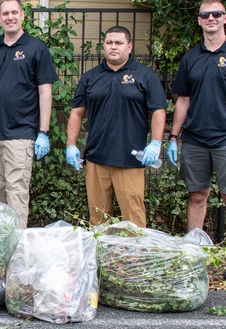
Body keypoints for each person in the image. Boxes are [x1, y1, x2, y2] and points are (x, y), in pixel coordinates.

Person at [168, 0, 226, 280]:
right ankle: (194, 256)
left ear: (225, 18)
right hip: (195, 138)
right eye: (205, 15)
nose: (210, 18)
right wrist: (173, 137)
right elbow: (183, 99)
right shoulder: (190, 58)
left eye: (216, 14)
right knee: (197, 196)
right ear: (199, 20)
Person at [64, 26, 167, 226]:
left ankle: (134, 257)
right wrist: (71, 144)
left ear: (129, 47)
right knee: (98, 220)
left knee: (133, 221)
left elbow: (158, 111)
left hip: (129, 159)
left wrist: (155, 143)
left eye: (118, 43)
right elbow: (77, 112)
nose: (113, 47)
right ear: (103, 47)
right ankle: (101, 256)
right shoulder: (90, 78)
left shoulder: (145, 76)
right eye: (109, 43)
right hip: (96, 159)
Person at [0, 0, 59, 228]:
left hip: (20, 134)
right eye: (5, 13)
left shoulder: (37, 49)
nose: (10, 17)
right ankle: (2, 248)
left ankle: (19, 249)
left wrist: (43, 131)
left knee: (17, 193)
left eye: (14, 12)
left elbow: (45, 91)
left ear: (23, 15)